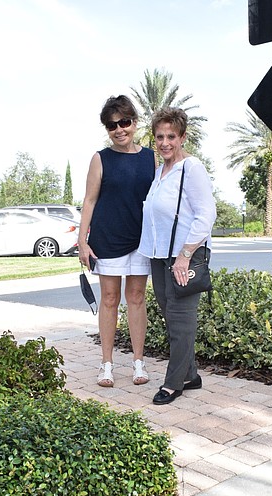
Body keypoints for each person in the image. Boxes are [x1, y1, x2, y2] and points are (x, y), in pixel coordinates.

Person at [138, 107, 217, 405]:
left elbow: (206, 214)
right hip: (160, 257)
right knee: (172, 319)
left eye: (171, 136)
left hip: (184, 257)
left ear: (182, 137)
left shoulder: (192, 168)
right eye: (160, 136)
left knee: (181, 320)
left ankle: (173, 384)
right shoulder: (160, 172)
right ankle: (191, 374)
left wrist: (184, 256)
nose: (165, 142)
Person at [79, 95, 156, 388]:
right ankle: (107, 365)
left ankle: (138, 363)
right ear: (107, 129)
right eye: (113, 125)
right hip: (107, 238)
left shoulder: (150, 157)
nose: (119, 129)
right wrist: (82, 242)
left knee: (136, 298)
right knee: (110, 300)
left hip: (141, 239)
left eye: (124, 122)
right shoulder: (101, 159)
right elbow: (89, 201)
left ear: (134, 123)